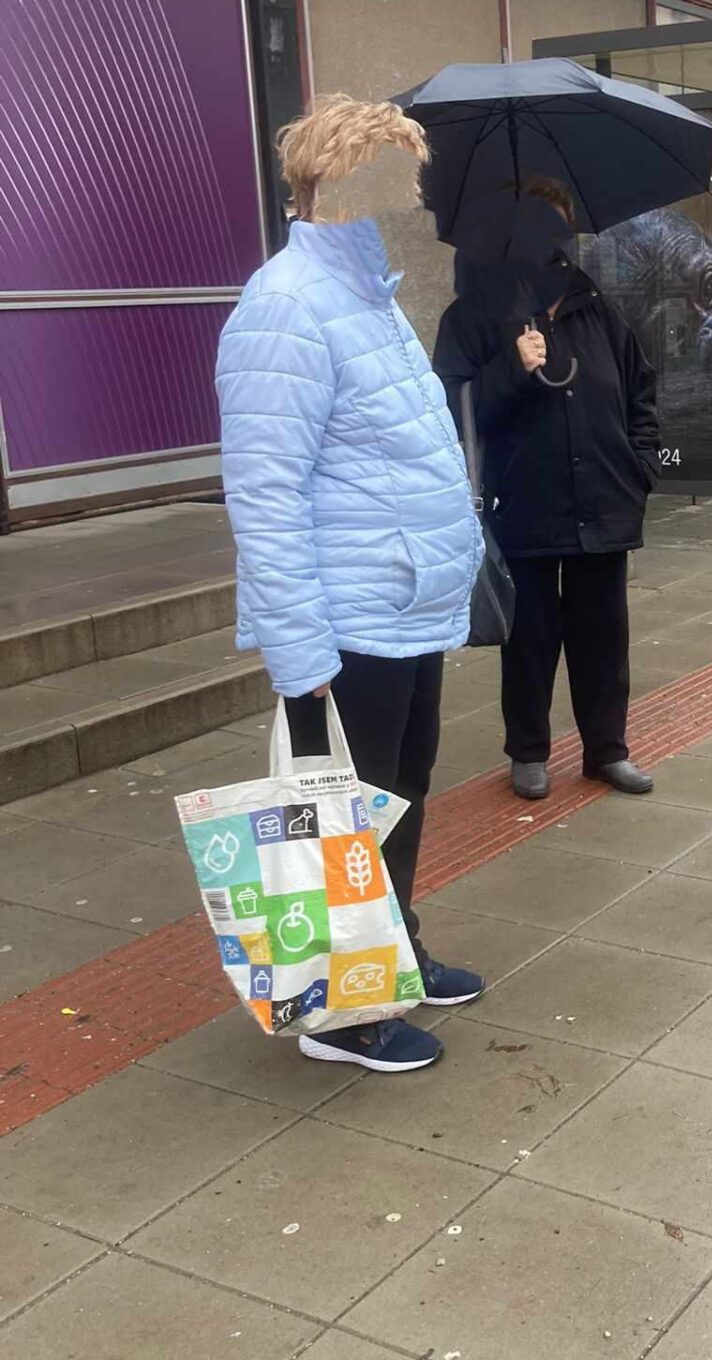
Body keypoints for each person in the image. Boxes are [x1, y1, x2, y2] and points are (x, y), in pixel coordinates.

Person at [216, 95, 487, 1074]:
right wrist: (300, 655)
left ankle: (394, 952)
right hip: (349, 620)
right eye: (402, 178)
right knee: (342, 817)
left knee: (395, 797)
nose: (422, 200)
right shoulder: (285, 305)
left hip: (404, 606)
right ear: (337, 183)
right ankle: (341, 1014)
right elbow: (265, 491)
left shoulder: (369, 295)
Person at [434, 176, 660, 803]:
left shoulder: (598, 308)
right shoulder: (475, 316)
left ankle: (606, 749)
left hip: (604, 500)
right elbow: (448, 407)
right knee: (530, 638)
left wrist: (640, 467)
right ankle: (529, 751)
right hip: (523, 504)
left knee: (603, 635)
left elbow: (642, 392)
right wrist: (513, 367)